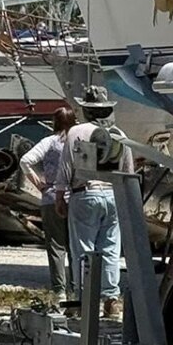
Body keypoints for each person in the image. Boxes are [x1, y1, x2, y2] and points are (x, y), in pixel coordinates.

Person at [57, 85, 134, 320]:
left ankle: (82, 301)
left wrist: (60, 194)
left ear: (86, 109)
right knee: (110, 249)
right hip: (112, 193)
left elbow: (67, 165)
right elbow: (128, 169)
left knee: (83, 250)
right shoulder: (119, 133)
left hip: (85, 193)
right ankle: (111, 300)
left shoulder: (76, 132)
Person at [20, 106, 77, 302]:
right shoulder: (78, 141)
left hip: (51, 195)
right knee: (76, 247)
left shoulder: (49, 142)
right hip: (77, 196)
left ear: (55, 122)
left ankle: (59, 290)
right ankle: (76, 288)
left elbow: (25, 161)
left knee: (56, 246)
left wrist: (39, 184)